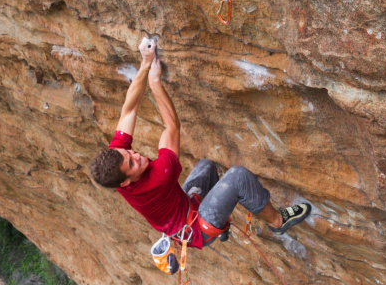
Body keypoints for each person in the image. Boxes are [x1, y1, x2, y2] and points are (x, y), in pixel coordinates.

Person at [88, 37, 311, 252]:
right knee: (238, 177)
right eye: (132, 163)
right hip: (195, 229)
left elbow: (129, 109)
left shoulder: (115, 162)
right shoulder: (158, 178)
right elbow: (172, 127)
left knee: (207, 165)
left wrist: (145, 63)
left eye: (128, 152)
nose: (136, 155)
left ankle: (221, 220)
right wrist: (155, 83)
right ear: (125, 182)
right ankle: (278, 221)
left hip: (185, 208)